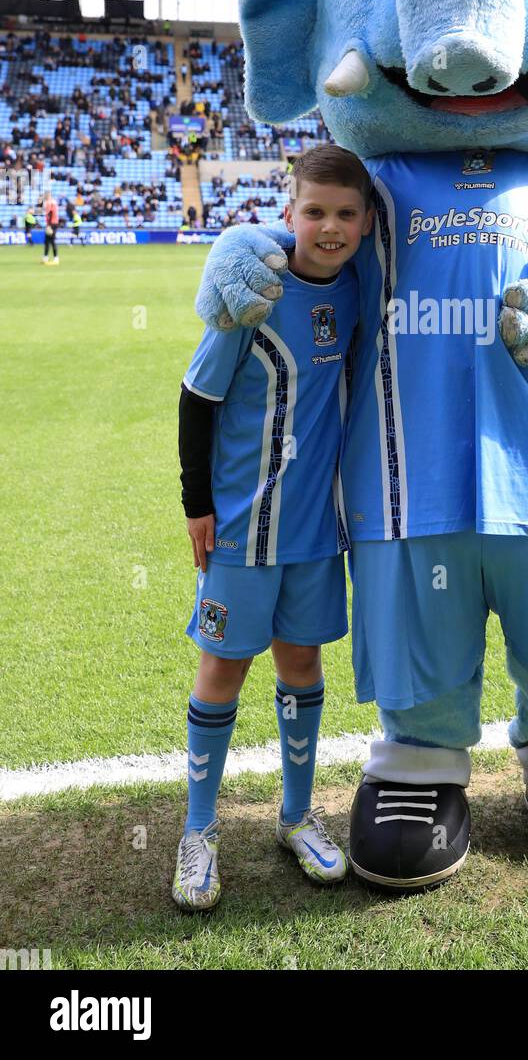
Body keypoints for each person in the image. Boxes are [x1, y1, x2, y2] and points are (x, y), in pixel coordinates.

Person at [172, 144, 374, 912]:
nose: (328, 227)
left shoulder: (357, 289)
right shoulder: (250, 292)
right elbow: (197, 400)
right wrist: (197, 507)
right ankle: (199, 830)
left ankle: (294, 817)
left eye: (344, 214)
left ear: (362, 225)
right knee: (222, 671)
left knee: (302, 668)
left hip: (317, 533)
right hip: (241, 532)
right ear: (286, 214)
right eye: (313, 211)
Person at [42, 191, 60, 265]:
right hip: (51, 223)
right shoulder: (52, 202)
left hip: (52, 224)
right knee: (47, 241)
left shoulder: (50, 203)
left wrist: (49, 225)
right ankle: (46, 257)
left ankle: (56, 258)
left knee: (52, 241)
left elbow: (51, 213)